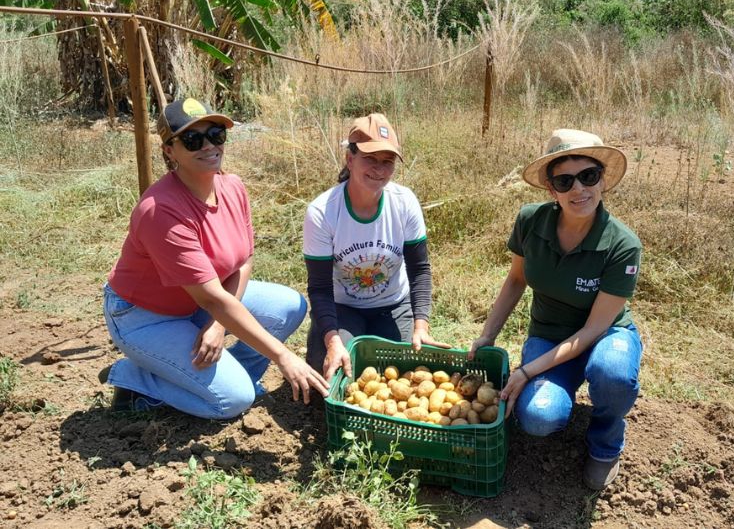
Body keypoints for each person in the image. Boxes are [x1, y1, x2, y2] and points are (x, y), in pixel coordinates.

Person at [100, 98, 328, 419]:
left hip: (200, 304)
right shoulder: (160, 210)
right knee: (231, 402)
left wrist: (217, 324)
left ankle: (227, 377)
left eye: (215, 134)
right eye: (193, 139)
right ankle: (136, 377)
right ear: (169, 151)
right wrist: (283, 357)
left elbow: (243, 261)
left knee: (289, 306)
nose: (208, 145)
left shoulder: (232, 187)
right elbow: (212, 298)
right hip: (145, 317)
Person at [470, 129, 643, 490]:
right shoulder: (532, 221)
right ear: (551, 190)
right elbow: (516, 280)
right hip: (550, 334)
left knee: (612, 373)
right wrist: (487, 335)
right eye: (565, 181)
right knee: (537, 417)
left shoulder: (623, 245)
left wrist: (528, 370)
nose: (578, 189)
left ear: (602, 180)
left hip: (604, 334)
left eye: (588, 176)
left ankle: (606, 441)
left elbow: (593, 330)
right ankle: (565, 393)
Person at [303, 113, 450, 382]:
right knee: (333, 373)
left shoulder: (404, 202)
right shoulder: (322, 212)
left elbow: (419, 270)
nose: (379, 169)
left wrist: (421, 325)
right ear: (350, 159)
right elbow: (320, 288)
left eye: (387, 161)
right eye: (370, 158)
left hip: (394, 305)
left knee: (406, 374)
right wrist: (333, 341)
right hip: (342, 307)